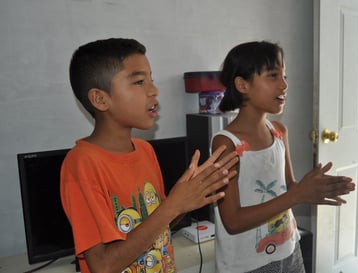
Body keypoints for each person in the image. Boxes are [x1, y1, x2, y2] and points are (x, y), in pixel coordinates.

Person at [60, 38, 238, 273]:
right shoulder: (81, 164)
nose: (154, 90)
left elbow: (158, 223)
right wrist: (173, 206)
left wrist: (186, 199)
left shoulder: (145, 150)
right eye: (139, 82)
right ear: (100, 99)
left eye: (151, 80)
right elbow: (102, 265)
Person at [211, 41, 356, 273]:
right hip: (247, 265)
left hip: (288, 249)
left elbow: (289, 188)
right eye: (273, 76)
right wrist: (297, 195)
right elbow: (233, 221)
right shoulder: (227, 143)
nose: (284, 85)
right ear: (242, 85)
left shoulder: (278, 131)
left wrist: (310, 190)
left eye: (284, 76)